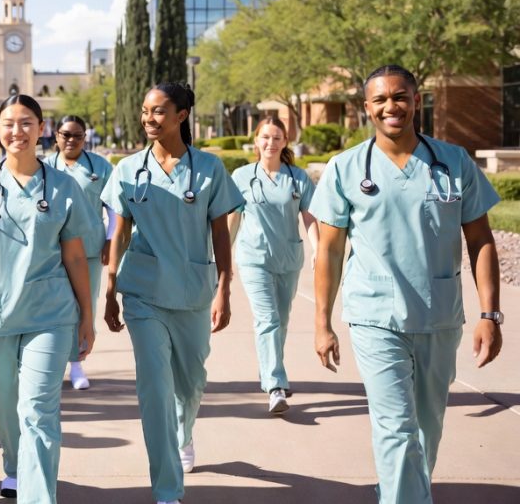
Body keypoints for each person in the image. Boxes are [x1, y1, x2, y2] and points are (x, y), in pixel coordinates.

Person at [313, 64, 503, 504]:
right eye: (379, 100)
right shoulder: (346, 168)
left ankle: (400, 490)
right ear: (367, 109)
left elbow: (480, 240)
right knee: (396, 427)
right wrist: (322, 321)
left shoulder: (454, 162)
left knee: (425, 428)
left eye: (400, 97)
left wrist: (490, 315)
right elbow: (329, 251)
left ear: (417, 101)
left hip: (439, 316)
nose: (390, 107)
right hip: (374, 315)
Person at [0, 94, 98, 503]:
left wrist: (87, 315)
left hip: (49, 312)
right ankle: (15, 465)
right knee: (5, 404)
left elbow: (76, 255)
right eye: (10, 123)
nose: (18, 131)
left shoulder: (63, 186)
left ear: (42, 128)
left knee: (38, 410)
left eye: (27, 122)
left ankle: (37, 495)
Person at [100, 82, 243, 504]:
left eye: (159, 111)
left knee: (192, 382)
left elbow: (220, 232)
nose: (149, 118)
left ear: (182, 115)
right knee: (155, 390)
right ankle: (166, 489)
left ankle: (185, 435)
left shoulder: (209, 169)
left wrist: (224, 289)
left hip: (193, 292)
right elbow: (119, 231)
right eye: (145, 111)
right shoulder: (128, 170)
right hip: (142, 293)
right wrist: (110, 287)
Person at [229, 116, 317, 414]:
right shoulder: (241, 176)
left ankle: (269, 370)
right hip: (253, 259)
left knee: (281, 320)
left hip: (289, 259)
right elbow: (233, 218)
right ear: (256, 141)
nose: (270, 143)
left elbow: (309, 216)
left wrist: (318, 250)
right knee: (267, 319)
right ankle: (276, 384)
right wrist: (222, 256)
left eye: (276, 137)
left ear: (285, 142)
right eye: (265, 137)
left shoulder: (298, 178)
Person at [48, 114, 115, 390]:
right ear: (56, 137)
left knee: (83, 306)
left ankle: (76, 364)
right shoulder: (45, 167)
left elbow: (113, 206)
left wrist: (110, 239)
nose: (71, 140)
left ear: (85, 138)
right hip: (51, 249)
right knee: (53, 306)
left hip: (88, 248)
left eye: (77, 135)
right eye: (65, 134)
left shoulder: (99, 167)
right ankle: (50, 364)